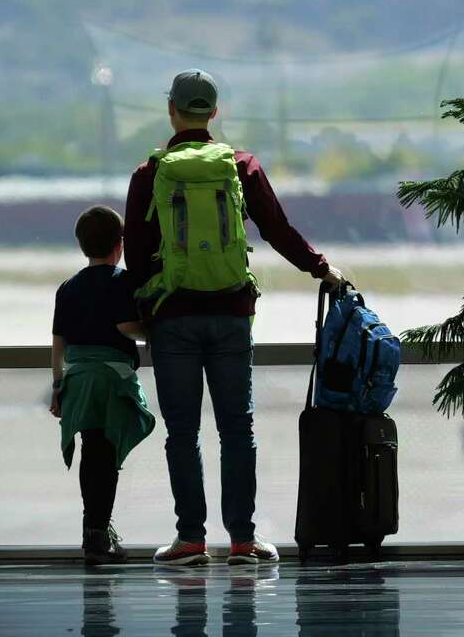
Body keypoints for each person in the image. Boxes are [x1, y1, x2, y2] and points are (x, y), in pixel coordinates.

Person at [125, 69, 345, 566]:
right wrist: (321, 268)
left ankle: (190, 540)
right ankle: (243, 541)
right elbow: (277, 229)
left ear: (172, 111)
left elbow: (136, 257)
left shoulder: (150, 173)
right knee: (237, 430)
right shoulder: (241, 166)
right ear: (215, 113)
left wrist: (144, 314)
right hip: (230, 312)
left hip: (172, 316)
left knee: (182, 431)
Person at [50, 205, 156, 565]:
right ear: (119, 244)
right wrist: (153, 332)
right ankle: (97, 535)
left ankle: (92, 529)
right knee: (105, 455)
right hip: (109, 381)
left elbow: (58, 344)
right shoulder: (122, 282)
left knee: (89, 450)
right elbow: (126, 328)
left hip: (77, 380)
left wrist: (57, 387)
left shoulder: (67, 288)